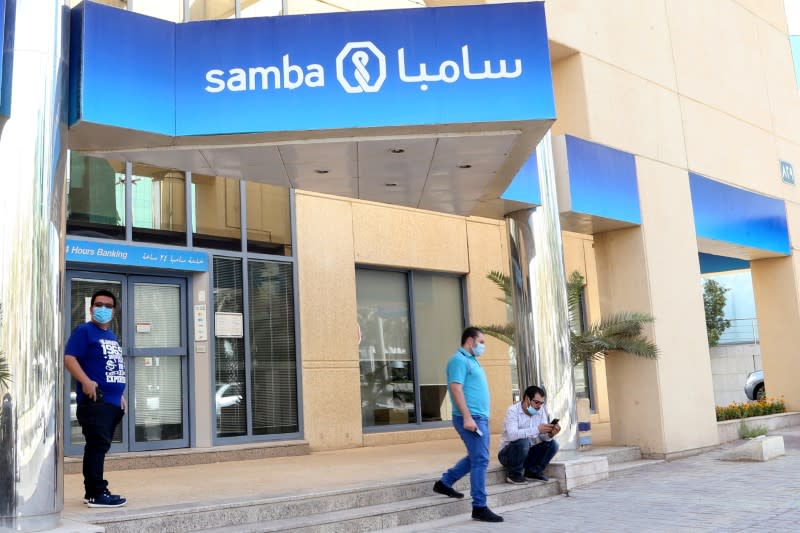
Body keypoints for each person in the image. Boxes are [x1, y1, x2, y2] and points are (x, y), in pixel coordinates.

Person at [432, 327, 503, 523]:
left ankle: (445, 483)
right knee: (481, 459)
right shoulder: (459, 360)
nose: (483, 346)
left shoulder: (472, 361)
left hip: (479, 418)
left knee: (476, 457)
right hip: (471, 418)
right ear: (470, 341)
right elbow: (455, 389)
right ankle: (479, 507)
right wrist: (467, 417)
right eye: (481, 342)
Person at [64, 289, 127, 508]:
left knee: (100, 446)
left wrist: (120, 395)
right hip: (94, 402)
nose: (104, 309)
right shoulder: (85, 331)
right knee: (96, 445)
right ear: (91, 309)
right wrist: (85, 381)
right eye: (99, 305)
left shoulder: (111, 336)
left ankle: (97, 489)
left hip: (112, 402)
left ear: (114, 311)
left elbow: (112, 366)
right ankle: (95, 493)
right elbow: (69, 358)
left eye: (108, 306)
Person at [497, 385, 561, 484]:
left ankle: (533, 472)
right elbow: (512, 435)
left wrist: (550, 434)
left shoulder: (541, 410)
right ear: (527, 399)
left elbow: (542, 437)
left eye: (541, 403)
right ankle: (514, 474)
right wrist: (537, 429)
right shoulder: (513, 411)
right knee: (523, 441)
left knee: (553, 444)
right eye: (536, 402)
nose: (539, 406)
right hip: (508, 454)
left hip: (528, 452)